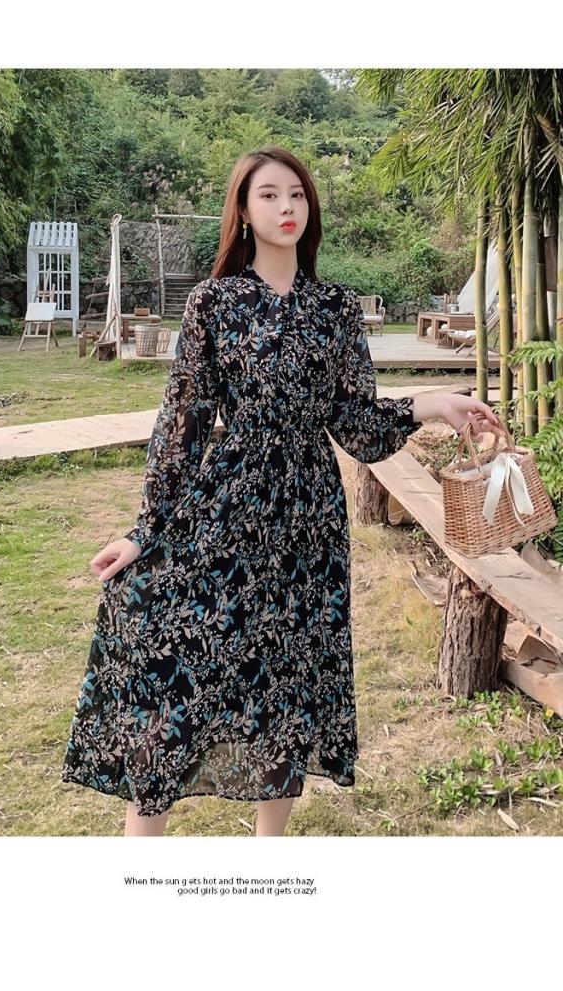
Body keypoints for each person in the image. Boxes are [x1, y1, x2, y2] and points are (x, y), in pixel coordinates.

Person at [61, 146, 502, 837]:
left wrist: (433, 404)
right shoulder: (214, 304)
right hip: (227, 503)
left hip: (307, 519)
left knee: (288, 680)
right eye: (268, 195)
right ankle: (142, 852)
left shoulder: (335, 309)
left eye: (296, 194)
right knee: (174, 663)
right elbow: (182, 424)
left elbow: (354, 422)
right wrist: (145, 531)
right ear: (243, 210)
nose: (286, 206)